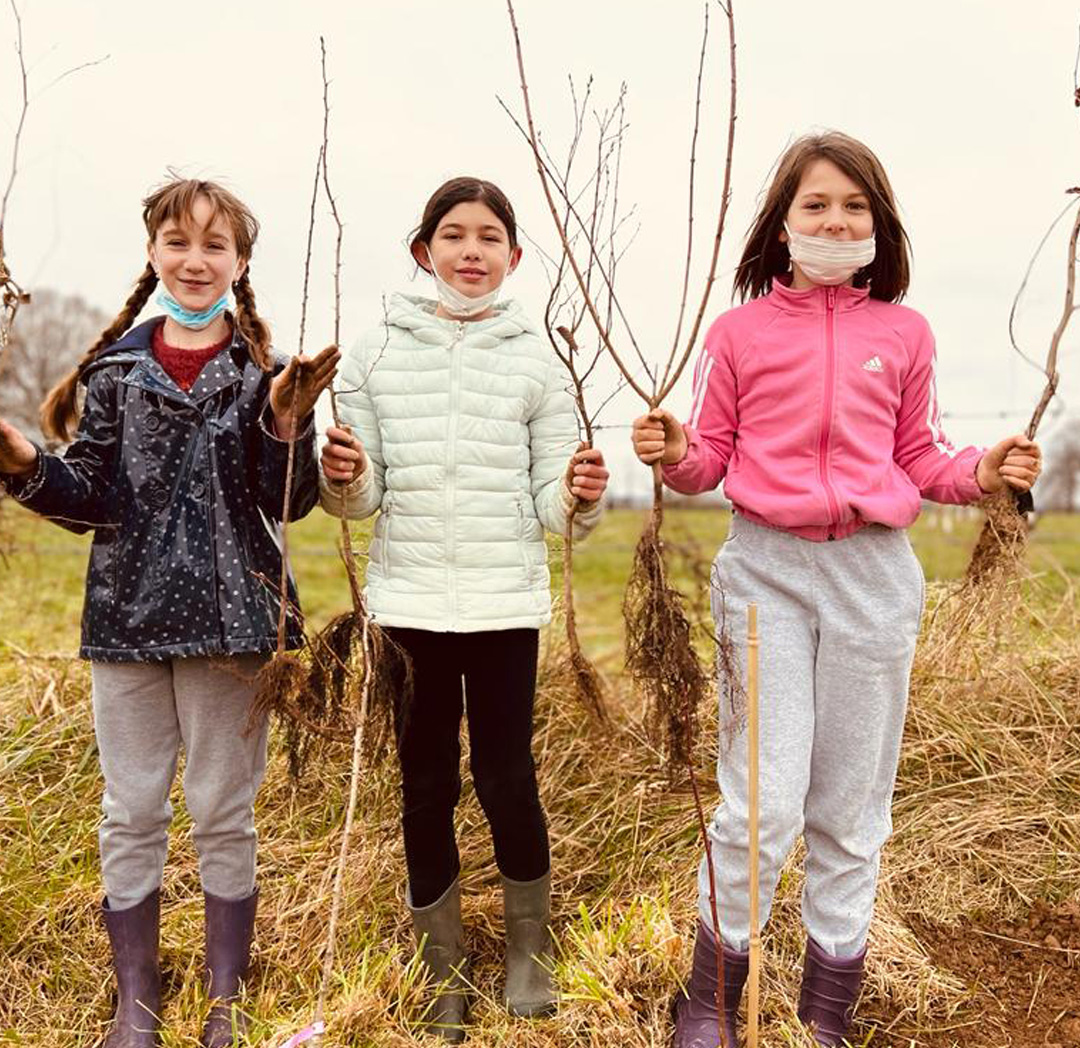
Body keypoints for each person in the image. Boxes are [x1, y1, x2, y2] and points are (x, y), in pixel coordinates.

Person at [631, 132, 1041, 1047]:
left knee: (851, 808)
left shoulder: (905, 333)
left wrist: (985, 470)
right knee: (762, 800)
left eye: (853, 206)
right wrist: (672, 451)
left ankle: (826, 1012)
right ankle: (711, 1000)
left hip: (873, 577)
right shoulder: (737, 333)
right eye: (815, 204)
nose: (834, 220)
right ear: (782, 224)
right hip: (763, 572)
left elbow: (921, 458)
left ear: (879, 225)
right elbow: (710, 460)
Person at [0, 178, 338, 1047]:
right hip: (128, 621)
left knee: (224, 808)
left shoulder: (266, 376)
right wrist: (25, 463)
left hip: (236, 624)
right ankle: (135, 1003)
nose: (196, 260)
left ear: (240, 262)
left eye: (215, 245)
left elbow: (287, 502)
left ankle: (227, 999)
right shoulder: (114, 374)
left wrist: (286, 424)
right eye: (178, 242)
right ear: (152, 253)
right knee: (131, 809)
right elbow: (92, 498)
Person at [319, 176, 609, 1042]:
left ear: (514, 258)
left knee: (506, 777)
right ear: (423, 251)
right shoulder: (371, 354)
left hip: (502, 605)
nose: (471, 251)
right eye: (453, 235)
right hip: (407, 604)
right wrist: (344, 476)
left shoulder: (536, 359)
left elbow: (557, 508)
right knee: (426, 784)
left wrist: (579, 491)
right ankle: (441, 969)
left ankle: (531, 954)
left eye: (489, 237)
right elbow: (358, 502)